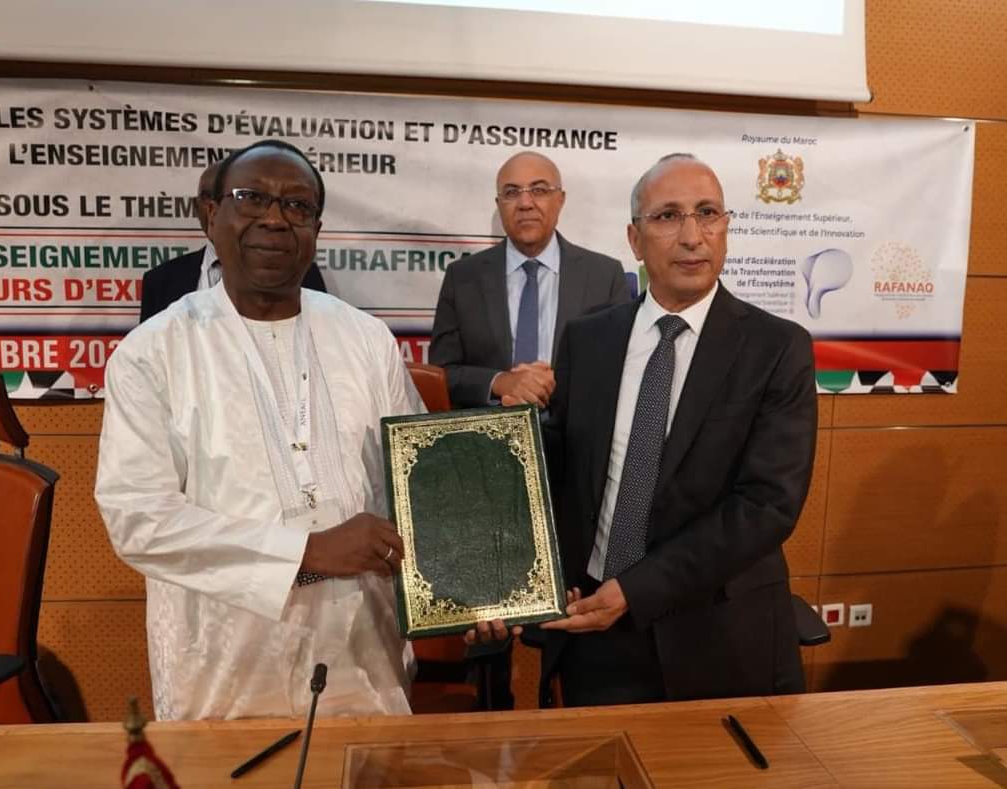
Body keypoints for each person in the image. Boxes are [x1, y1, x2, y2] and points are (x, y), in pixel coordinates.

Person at [96, 139, 423, 721]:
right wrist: (309, 551)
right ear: (211, 215)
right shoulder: (153, 353)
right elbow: (138, 519)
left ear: (316, 229)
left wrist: (469, 585)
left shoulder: (367, 339)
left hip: (364, 657)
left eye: (297, 206)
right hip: (224, 669)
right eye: (252, 198)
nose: (274, 219)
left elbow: (419, 479)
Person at [475, 153, 817, 707]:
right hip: (595, 631)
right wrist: (502, 576)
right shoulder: (588, 339)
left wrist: (636, 590)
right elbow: (558, 474)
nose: (692, 236)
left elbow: (767, 505)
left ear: (726, 227)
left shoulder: (777, 348)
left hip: (717, 636)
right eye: (668, 216)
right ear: (635, 240)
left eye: (707, 213)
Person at [429, 151, 630, 409]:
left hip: (574, 429)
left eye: (539, 190)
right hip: (492, 429)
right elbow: (442, 373)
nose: (525, 203)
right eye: (511, 192)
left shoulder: (604, 275)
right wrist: (500, 382)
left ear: (560, 199)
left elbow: (621, 367)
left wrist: (556, 382)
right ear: (499, 203)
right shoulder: (462, 278)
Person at [139, 160, 327, 323]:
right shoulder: (161, 280)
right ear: (208, 210)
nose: (273, 220)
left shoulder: (302, 273)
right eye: (208, 196)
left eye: (249, 198)